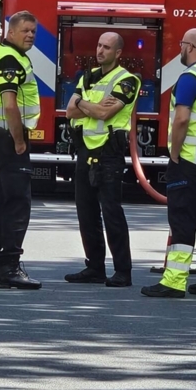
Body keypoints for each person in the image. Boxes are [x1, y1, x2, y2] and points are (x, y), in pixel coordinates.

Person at [142, 28, 196, 299]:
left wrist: (174, 154)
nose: (179, 49)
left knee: (182, 219)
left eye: (181, 44)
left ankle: (175, 281)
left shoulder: (190, 77)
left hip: (189, 158)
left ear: (190, 46)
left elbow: (181, 119)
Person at [63, 32, 140, 287]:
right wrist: (90, 106)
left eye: (107, 47)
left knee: (111, 212)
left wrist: (84, 104)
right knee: (86, 212)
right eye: (98, 46)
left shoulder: (128, 80)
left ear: (118, 52)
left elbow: (106, 113)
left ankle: (122, 271)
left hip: (109, 152)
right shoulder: (87, 76)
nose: (100, 51)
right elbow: (69, 110)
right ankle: (94, 267)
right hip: (85, 149)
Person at [0, 10, 42, 289]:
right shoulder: (9, 60)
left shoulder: (0, 54)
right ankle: (10, 268)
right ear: (10, 32)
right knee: (17, 204)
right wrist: (18, 139)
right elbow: (10, 104)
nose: (30, 35)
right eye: (25, 30)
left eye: (33, 32)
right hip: (7, 140)